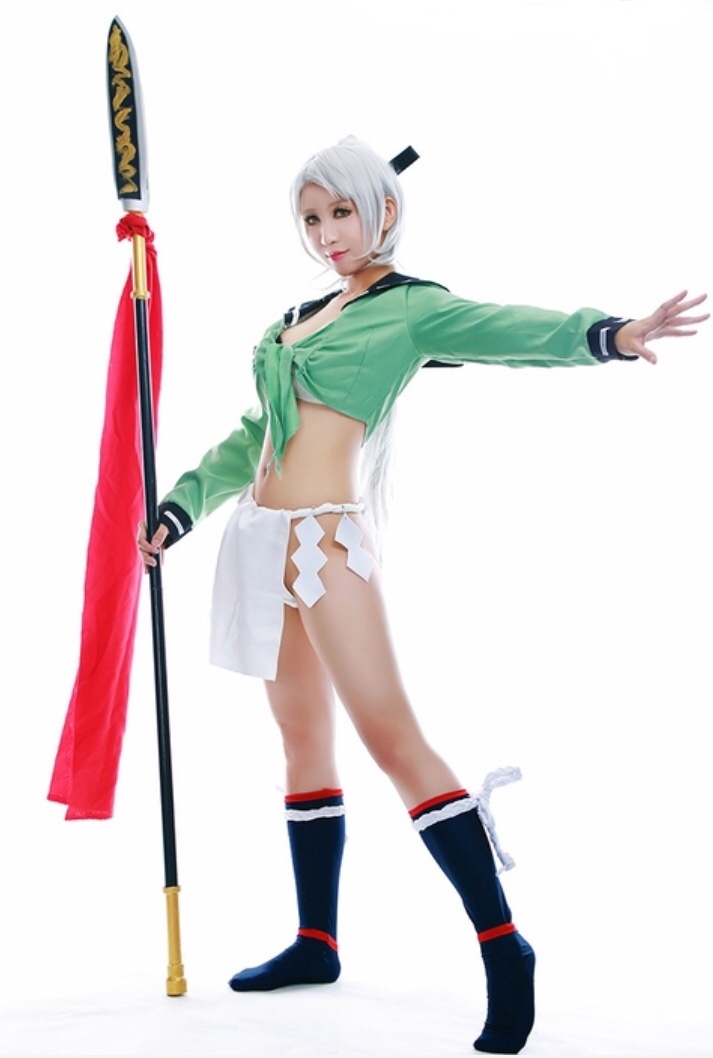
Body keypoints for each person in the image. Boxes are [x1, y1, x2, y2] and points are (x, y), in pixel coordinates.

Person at [137, 136, 708, 1055]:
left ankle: (503, 945)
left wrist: (606, 334)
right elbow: (256, 436)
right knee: (300, 739)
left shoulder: (408, 310)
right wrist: (181, 506)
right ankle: (316, 941)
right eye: (311, 218)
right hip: (259, 543)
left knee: (392, 739)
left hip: (326, 545)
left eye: (342, 213)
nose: (327, 233)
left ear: (384, 211)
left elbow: (503, 328)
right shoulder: (298, 318)